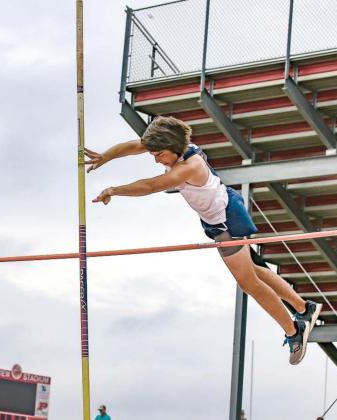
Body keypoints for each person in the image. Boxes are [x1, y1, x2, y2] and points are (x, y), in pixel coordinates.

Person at [88, 116, 322, 364]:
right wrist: (105, 156)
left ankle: (294, 330)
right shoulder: (170, 146)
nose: (155, 159)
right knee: (254, 270)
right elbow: (132, 146)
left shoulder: (190, 167)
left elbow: (151, 185)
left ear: (172, 149)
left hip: (226, 221)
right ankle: (303, 308)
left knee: (248, 282)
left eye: (158, 155)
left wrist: (114, 190)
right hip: (216, 218)